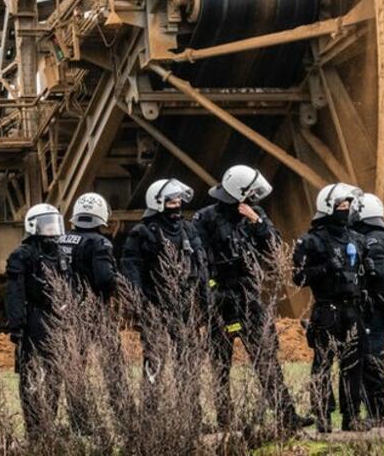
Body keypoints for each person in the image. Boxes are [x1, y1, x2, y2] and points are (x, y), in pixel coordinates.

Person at [193, 165, 310, 430]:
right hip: (220, 299)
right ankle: (225, 420)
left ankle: (287, 416)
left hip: (248, 296)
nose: (255, 200)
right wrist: (211, 291)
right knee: (220, 363)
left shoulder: (255, 215)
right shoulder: (205, 219)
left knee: (266, 357)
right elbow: (197, 260)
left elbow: (273, 247)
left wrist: (256, 222)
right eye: (250, 195)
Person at [120, 179, 207, 422]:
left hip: (184, 306)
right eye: (171, 200)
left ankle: (191, 415)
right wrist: (140, 305)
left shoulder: (188, 229)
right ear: (158, 203)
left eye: (179, 199)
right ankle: (149, 417)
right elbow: (131, 269)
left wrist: (205, 301)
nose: (176, 204)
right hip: (155, 306)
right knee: (154, 361)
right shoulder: (142, 233)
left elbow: (201, 266)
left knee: (188, 361)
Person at [292, 183, 369, 433]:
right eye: (340, 206)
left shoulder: (357, 238)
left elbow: (365, 271)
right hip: (327, 310)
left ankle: (351, 417)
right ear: (328, 207)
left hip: (353, 310)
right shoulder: (312, 240)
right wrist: (325, 268)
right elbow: (298, 278)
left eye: (347, 206)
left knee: (353, 366)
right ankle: (323, 416)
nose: (344, 210)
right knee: (323, 365)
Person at [57, 193, 125, 434]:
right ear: (101, 217)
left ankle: (79, 422)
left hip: (68, 311)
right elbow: (105, 279)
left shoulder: (62, 240)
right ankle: (122, 415)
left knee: (75, 367)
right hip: (96, 312)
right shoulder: (99, 243)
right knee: (113, 365)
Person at [6, 203, 69, 436]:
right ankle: (34, 428)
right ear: (34, 226)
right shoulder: (22, 255)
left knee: (54, 375)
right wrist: (17, 326)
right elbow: (15, 292)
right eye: (47, 225)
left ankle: (48, 424)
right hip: (32, 319)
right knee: (32, 375)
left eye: (54, 224)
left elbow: (69, 286)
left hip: (56, 320)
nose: (52, 229)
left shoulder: (60, 254)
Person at [349, 193, 384, 428]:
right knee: (370, 359)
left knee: (371, 360)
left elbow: (378, 277)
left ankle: (377, 413)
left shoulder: (374, 240)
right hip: (375, 307)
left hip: (373, 308)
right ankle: (375, 411)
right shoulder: (381, 236)